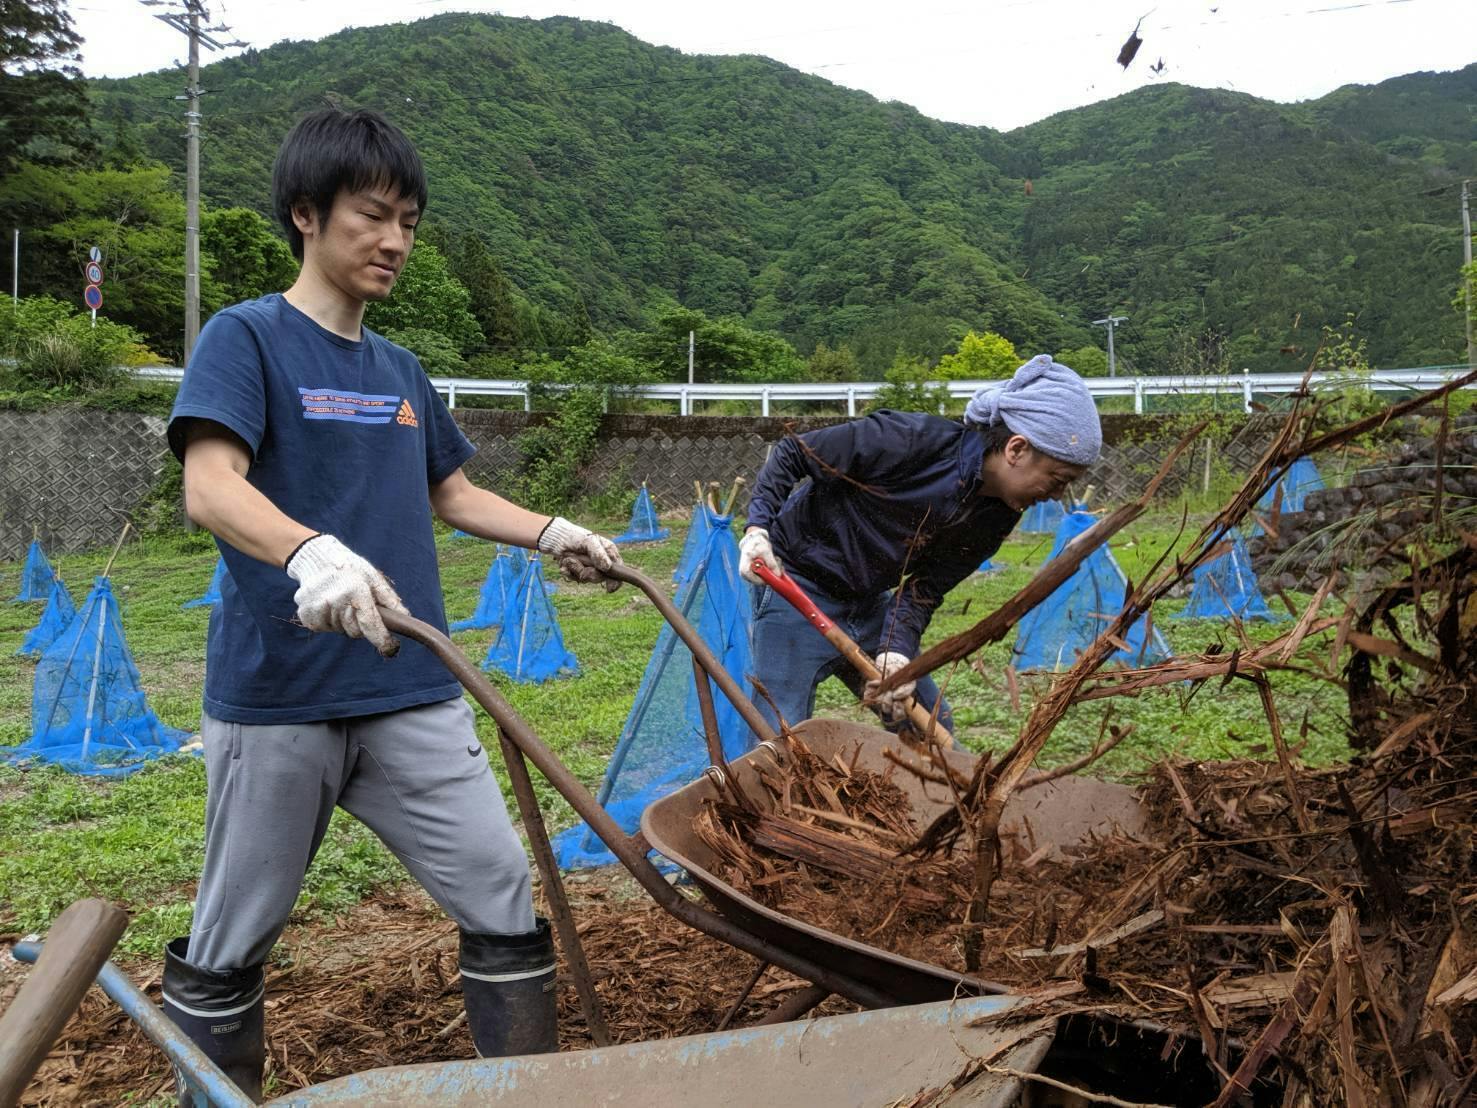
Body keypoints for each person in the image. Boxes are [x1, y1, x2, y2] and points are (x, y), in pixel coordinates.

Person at [161, 108, 621, 1101]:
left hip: (411, 686)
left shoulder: (399, 370)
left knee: (499, 886)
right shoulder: (246, 338)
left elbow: (454, 494)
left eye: (408, 221)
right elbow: (210, 485)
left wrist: (554, 531)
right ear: (306, 214)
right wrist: (310, 552)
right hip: (280, 696)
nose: (395, 241)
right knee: (233, 932)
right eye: (372, 216)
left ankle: (523, 1090)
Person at [739, 354, 1100, 735]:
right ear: (1016, 449)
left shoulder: (998, 515)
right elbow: (794, 452)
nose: (1056, 495)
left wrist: (895, 652)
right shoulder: (908, 440)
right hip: (795, 587)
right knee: (777, 735)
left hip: (868, 602)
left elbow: (926, 587)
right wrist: (757, 529)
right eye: (1057, 479)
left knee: (927, 726)